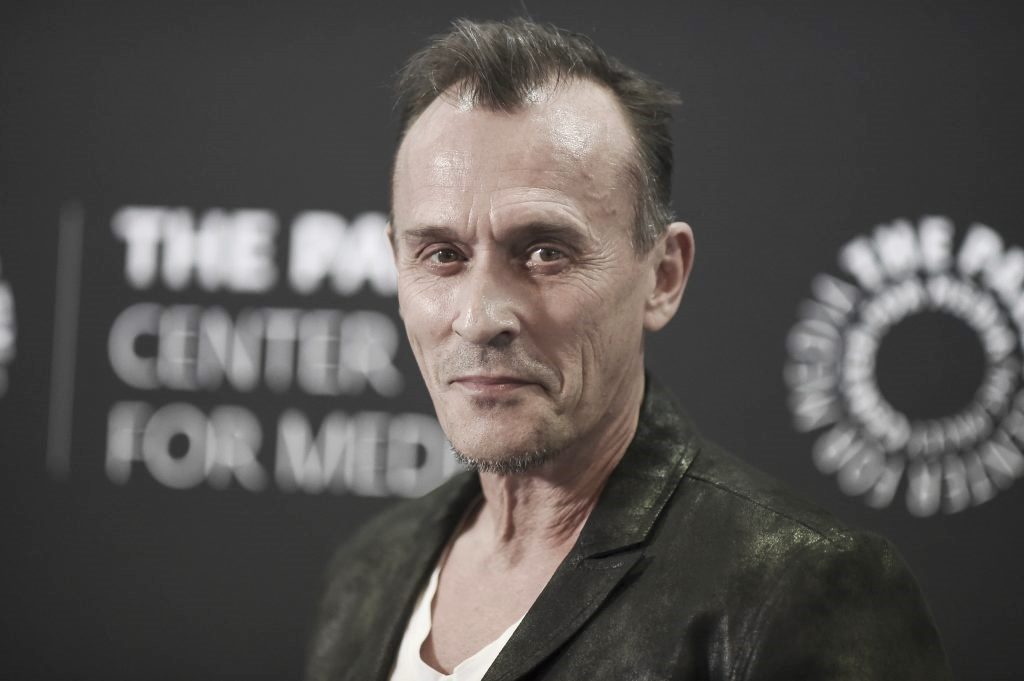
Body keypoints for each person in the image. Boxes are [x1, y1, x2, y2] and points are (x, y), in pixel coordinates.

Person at [306, 18, 951, 681]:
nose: (478, 318)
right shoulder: (369, 570)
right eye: (442, 255)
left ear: (663, 275)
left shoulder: (799, 588)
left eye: (545, 252)